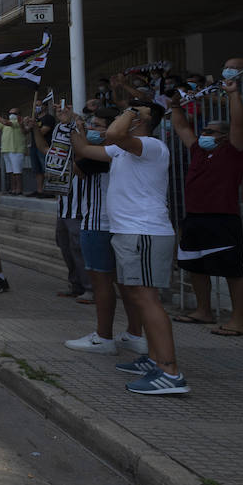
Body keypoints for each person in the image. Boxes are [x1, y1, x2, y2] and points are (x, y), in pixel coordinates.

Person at [66, 99, 188, 395]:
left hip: (143, 231)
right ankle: (155, 360)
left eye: (125, 114)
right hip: (129, 233)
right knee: (136, 295)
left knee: (147, 299)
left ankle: (169, 371)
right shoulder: (122, 149)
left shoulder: (151, 145)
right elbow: (84, 150)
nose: (120, 116)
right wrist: (72, 123)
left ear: (138, 121)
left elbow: (113, 133)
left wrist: (133, 110)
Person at [167, 75, 243, 335]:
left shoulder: (234, 151)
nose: (203, 134)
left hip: (222, 218)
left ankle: (238, 322)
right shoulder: (198, 151)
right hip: (194, 216)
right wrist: (176, 106)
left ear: (224, 136)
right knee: (196, 267)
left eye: (210, 131)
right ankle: (203, 311)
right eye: (203, 130)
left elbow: (238, 124)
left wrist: (233, 95)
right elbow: (182, 127)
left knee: (232, 270)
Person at [61, 106, 147, 356]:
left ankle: (103, 337)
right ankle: (135, 335)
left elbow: (78, 163)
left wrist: (72, 127)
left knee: (102, 284)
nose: (91, 129)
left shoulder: (106, 154)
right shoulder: (128, 151)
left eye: (98, 126)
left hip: (99, 224)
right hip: (125, 225)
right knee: (126, 284)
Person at [26, 113, 89, 300]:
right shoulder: (59, 154)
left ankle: (90, 287)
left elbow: (82, 151)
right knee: (66, 248)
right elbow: (42, 147)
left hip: (79, 211)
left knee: (79, 250)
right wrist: (35, 129)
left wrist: (76, 126)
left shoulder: (85, 156)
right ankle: (75, 284)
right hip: (63, 210)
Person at [0, 107, 26, 195]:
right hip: (6, 150)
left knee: (17, 171)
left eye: (14, 113)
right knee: (10, 171)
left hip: (16, 150)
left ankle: (19, 189)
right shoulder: (6, 123)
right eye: (10, 113)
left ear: (19, 115)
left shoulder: (19, 122)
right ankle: (13, 189)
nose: (11, 115)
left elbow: (6, 122)